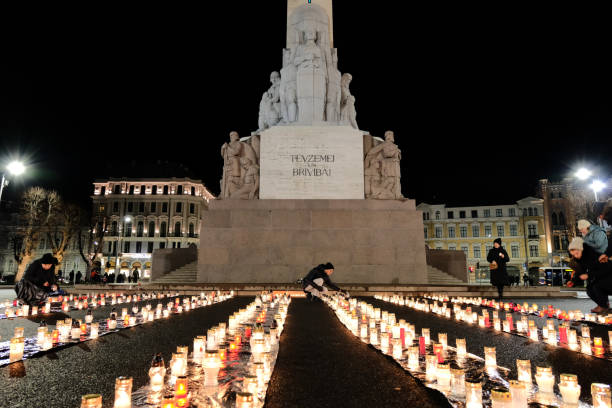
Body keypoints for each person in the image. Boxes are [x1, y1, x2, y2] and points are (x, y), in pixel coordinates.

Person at [567, 237, 612, 313]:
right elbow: (580, 272)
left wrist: (589, 275)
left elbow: (605, 269)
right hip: (602, 278)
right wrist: (573, 281)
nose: (576, 256)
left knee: (596, 286)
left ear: (581, 249)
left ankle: (603, 306)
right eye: (574, 255)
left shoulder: (594, 255)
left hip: (609, 277)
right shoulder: (581, 259)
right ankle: (602, 305)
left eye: (577, 253)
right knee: (589, 289)